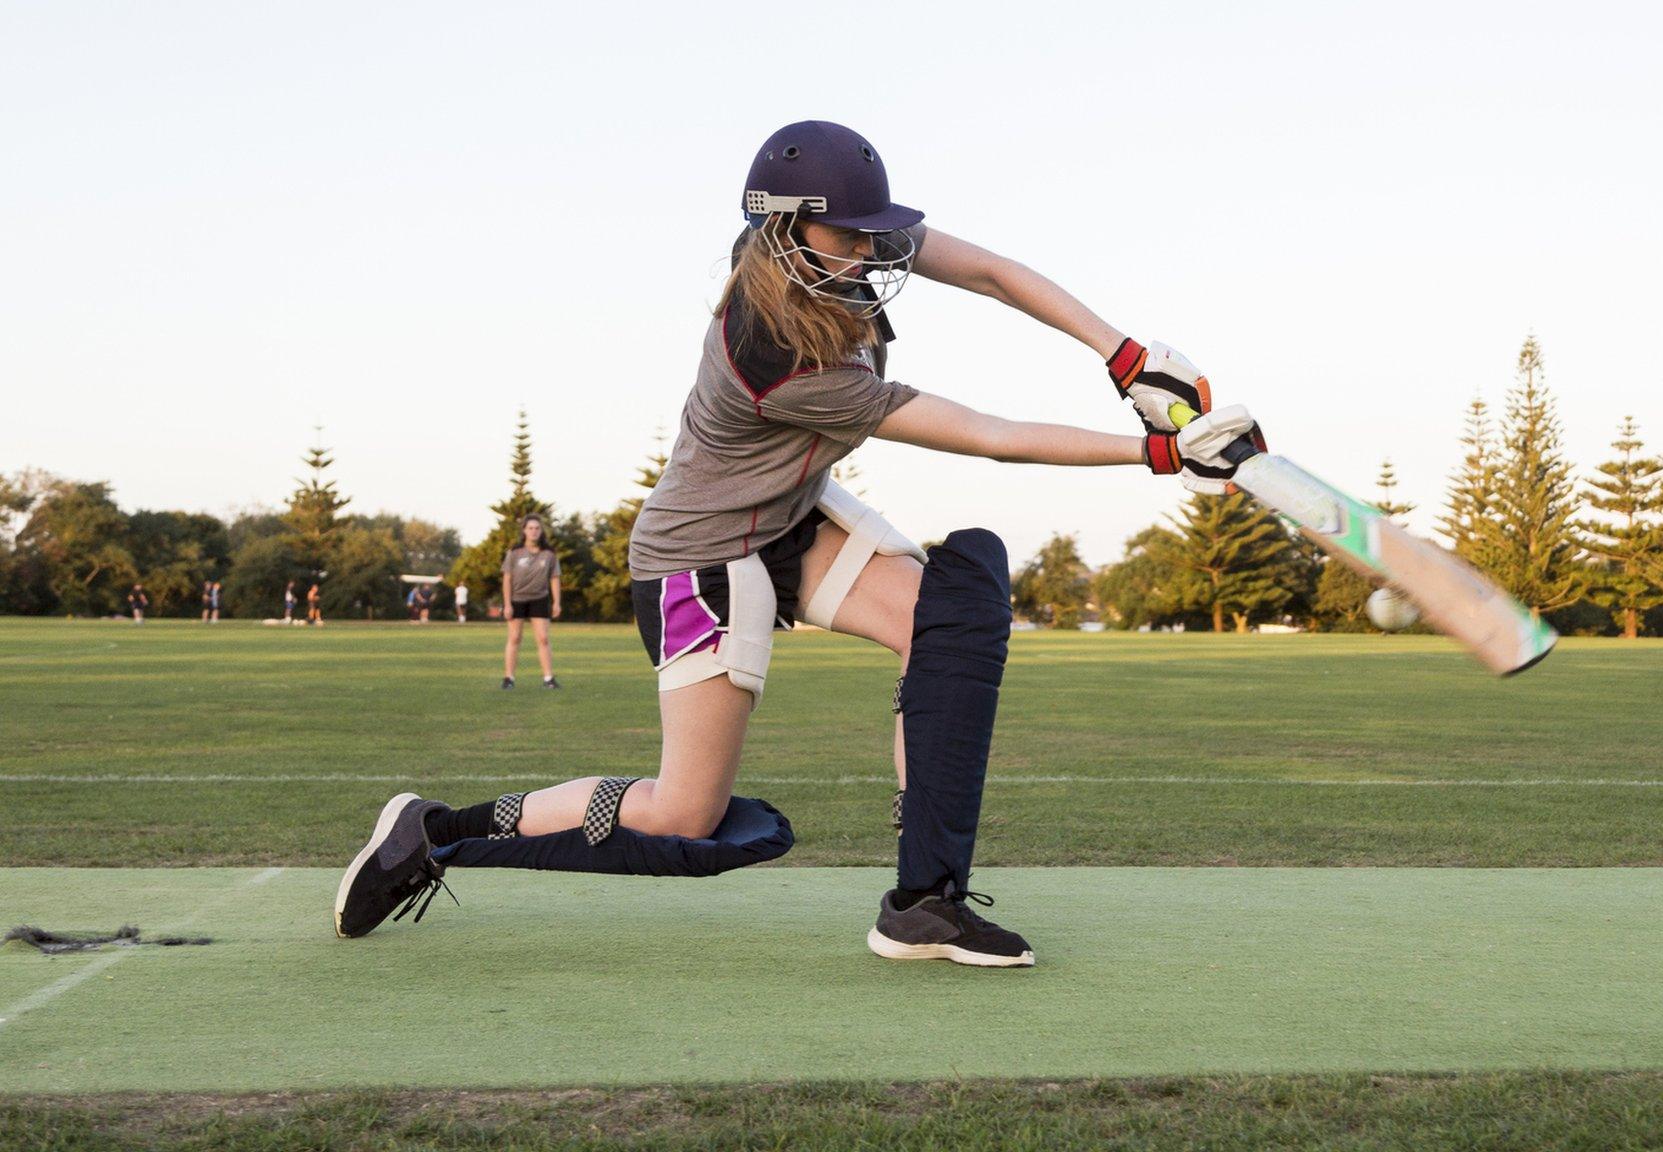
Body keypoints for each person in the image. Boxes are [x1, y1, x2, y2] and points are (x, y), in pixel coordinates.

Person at [333, 121, 1260, 969]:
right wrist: (1160, 452)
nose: (869, 251)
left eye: (872, 232)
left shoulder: (818, 244)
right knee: (684, 814)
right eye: (850, 235)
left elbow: (989, 270)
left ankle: (924, 904)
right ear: (784, 229)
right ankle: (435, 829)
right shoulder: (781, 357)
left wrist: (1128, 355)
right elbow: (983, 431)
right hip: (701, 558)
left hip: (787, 517)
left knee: (947, 617)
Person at [498, 515, 561, 688]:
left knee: (543, 638)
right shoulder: (514, 553)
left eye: (537, 528)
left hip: (540, 599)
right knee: (514, 637)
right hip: (517, 599)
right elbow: (507, 579)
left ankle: (548, 678)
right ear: (524, 531)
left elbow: (555, 578)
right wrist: (507, 604)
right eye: (530, 528)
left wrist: (556, 602)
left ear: (541, 532)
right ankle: (509, 678)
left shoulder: (549, 554)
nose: (534, 531)